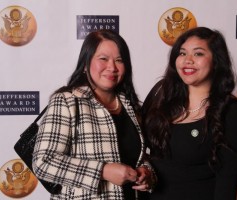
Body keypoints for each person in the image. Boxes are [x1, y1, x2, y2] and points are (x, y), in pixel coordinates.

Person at [32, 29, 155, 200]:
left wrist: (146, 172)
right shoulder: (67, 101)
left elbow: (138, 156)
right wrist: (103, 171)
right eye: (103, 59)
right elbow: (43, 162)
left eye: (119, 60)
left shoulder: (131, 106)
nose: (112, 67)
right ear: (85, 63)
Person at [142, 27, 237, 200]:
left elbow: (226, 185)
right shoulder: (160, 95)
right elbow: (141, 150)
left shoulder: (231, 112)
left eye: (198, 54)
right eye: (182, 53)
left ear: (216, 61)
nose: (188, 60)